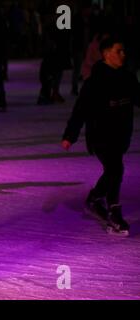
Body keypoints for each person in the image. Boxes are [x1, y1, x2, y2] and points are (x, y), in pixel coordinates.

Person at [61, 37, 140, 236]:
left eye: (123, 51)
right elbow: (80, 111)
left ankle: (94, 199)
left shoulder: (128, 78)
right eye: (119, 50)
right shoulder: (95, 82)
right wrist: (70, 135)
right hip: (100, 135)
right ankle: (114, 211)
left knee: (113, 170)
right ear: (106, 54)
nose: (123, 54)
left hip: (121, 134)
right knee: (115, 168)